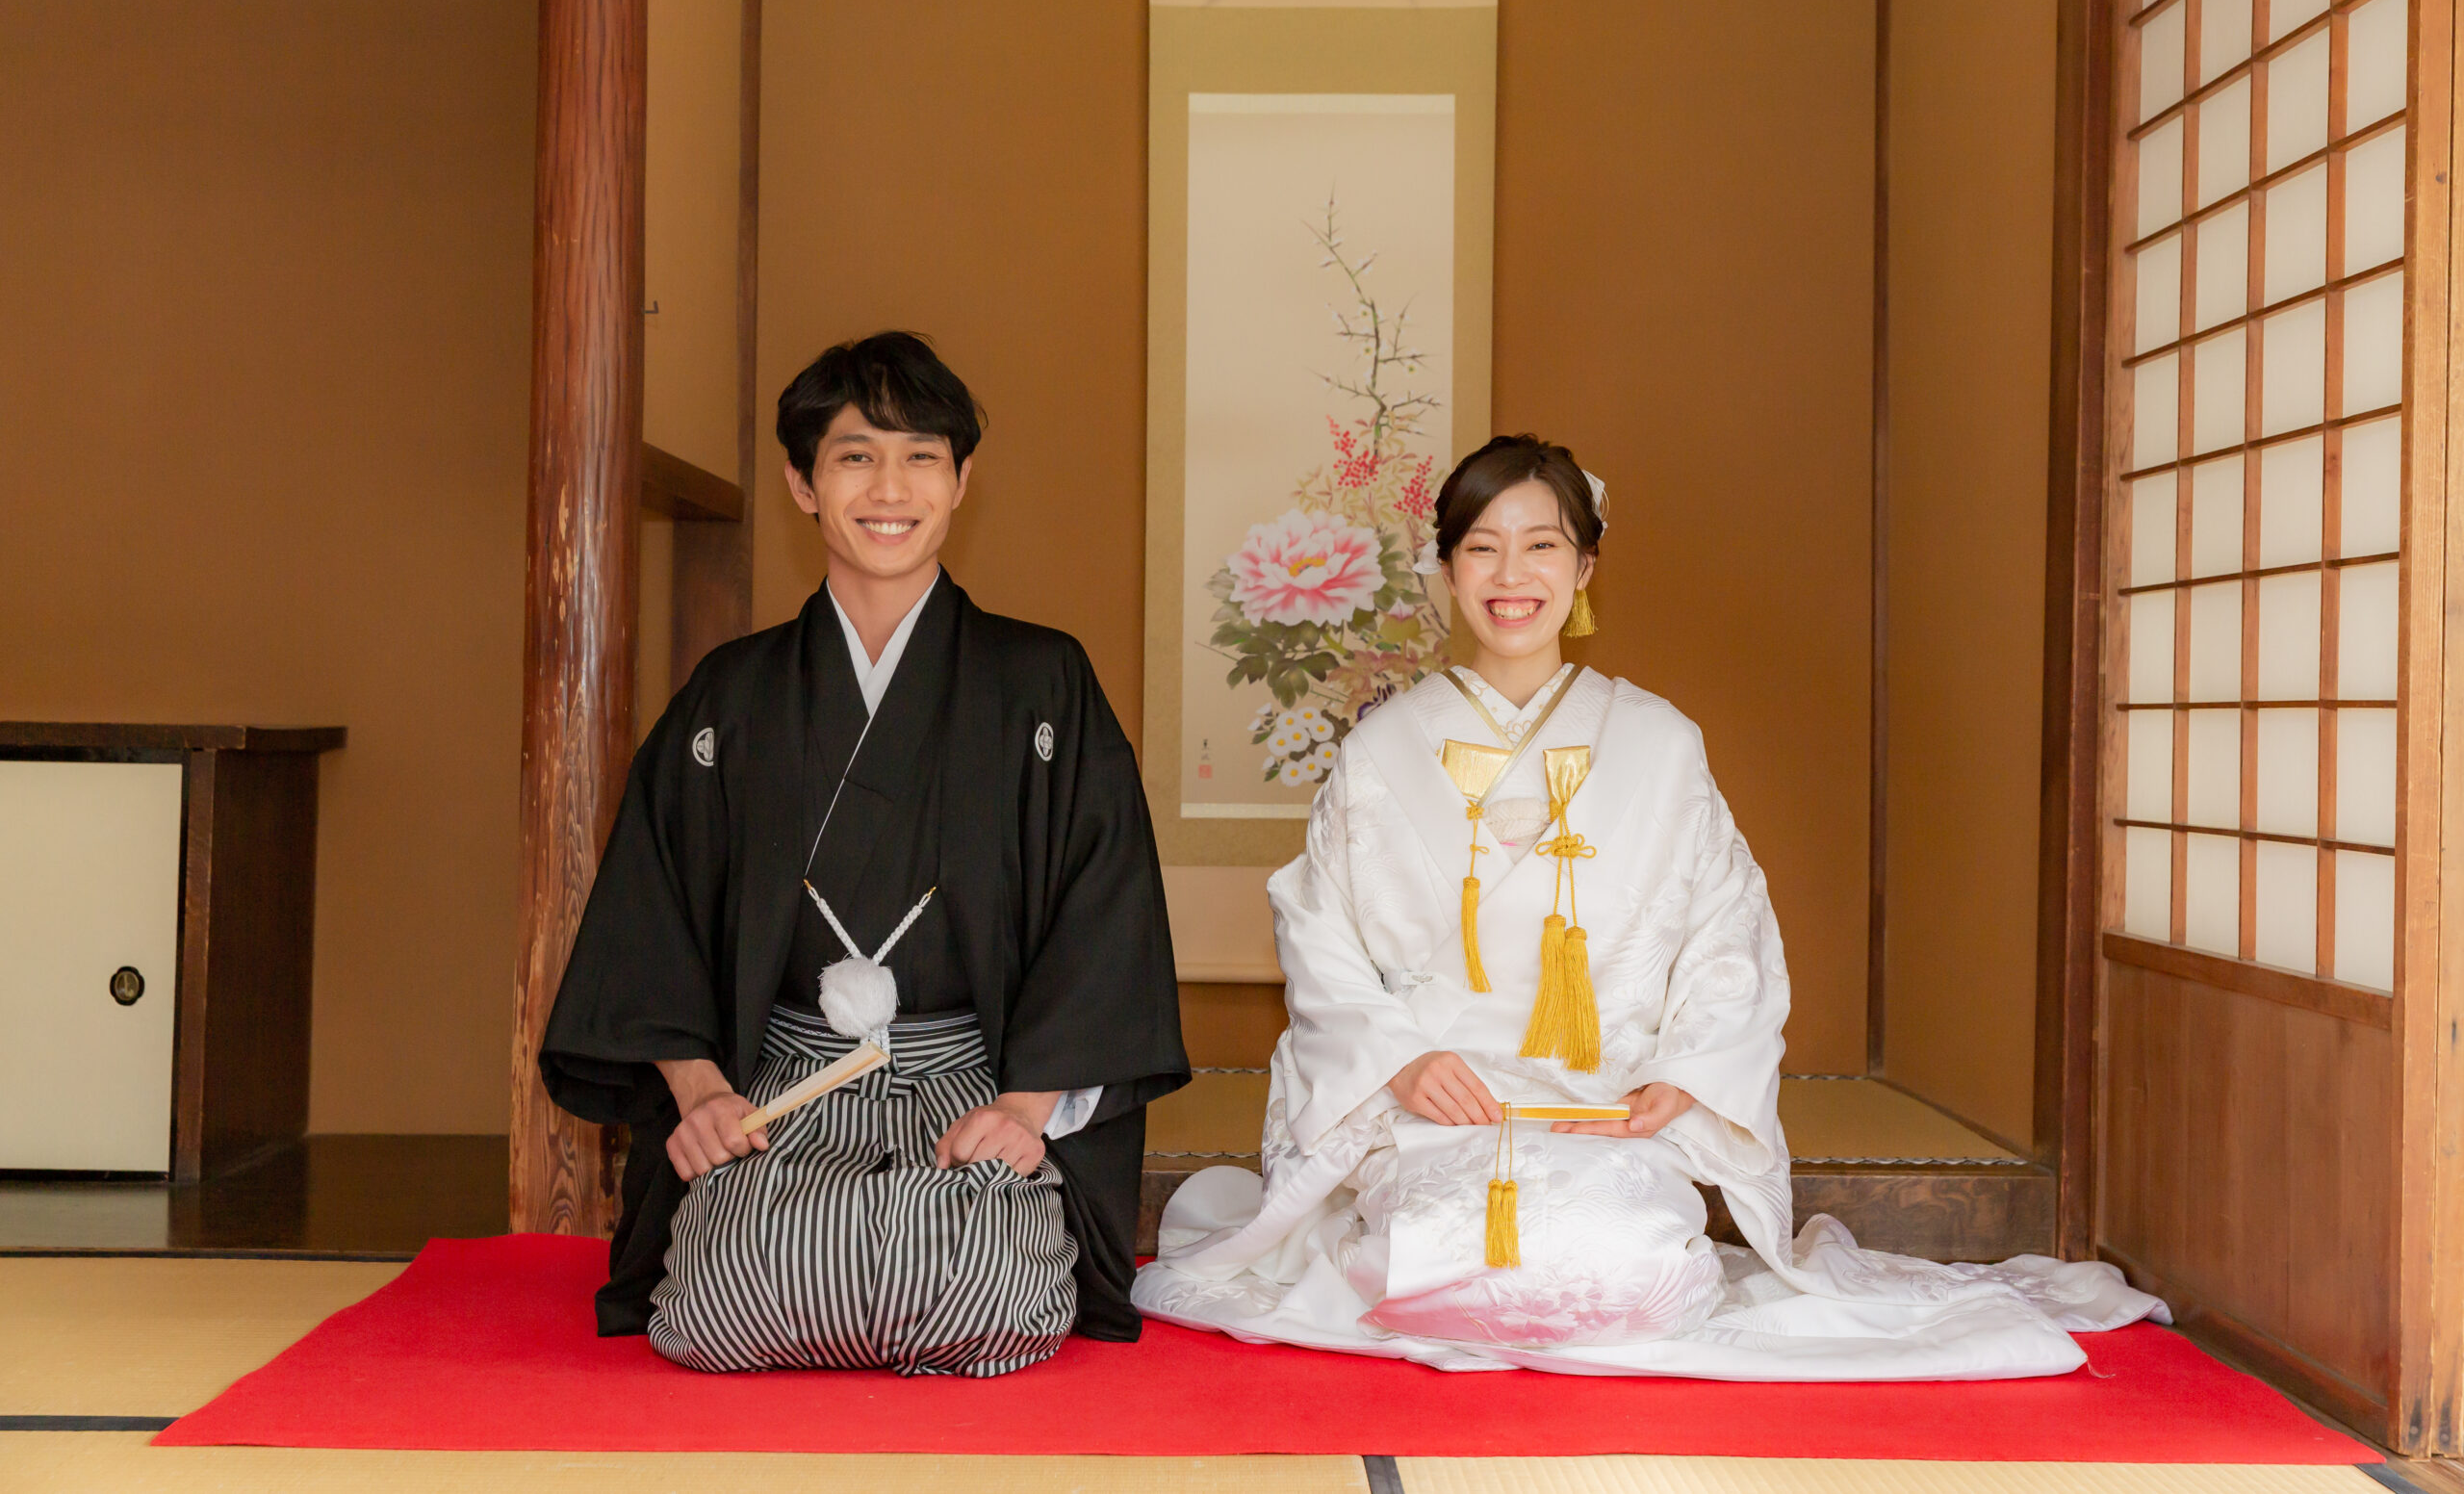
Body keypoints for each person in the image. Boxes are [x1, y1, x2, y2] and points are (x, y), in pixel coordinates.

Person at [1133, 434, 2161, 1379]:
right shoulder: (1381, 751)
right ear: (1445, 569)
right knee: (1431, 1265)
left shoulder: (1658, 743)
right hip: (1436, 1117)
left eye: (1542, 545)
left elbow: (1726, 928)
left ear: (1584, 567)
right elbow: (1318, 931)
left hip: (1605, 1114)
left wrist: (1687, 1074)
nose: (1510, 574)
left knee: (1628, 1271)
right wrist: (1398, 1058)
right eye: (1482, 548)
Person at [541, 331, 1188, 1378]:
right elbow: (649, 910)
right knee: (729, 1296)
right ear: (802, 484)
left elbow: (1102, 912)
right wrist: (700, 1092)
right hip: (779, 1088)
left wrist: (1026, 1111)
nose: (890, 489)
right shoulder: (733, 694)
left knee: (986, 1294)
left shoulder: (1041, 682)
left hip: (971, 1085)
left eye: (921, 456)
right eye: (854, 457)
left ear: (962, 480)